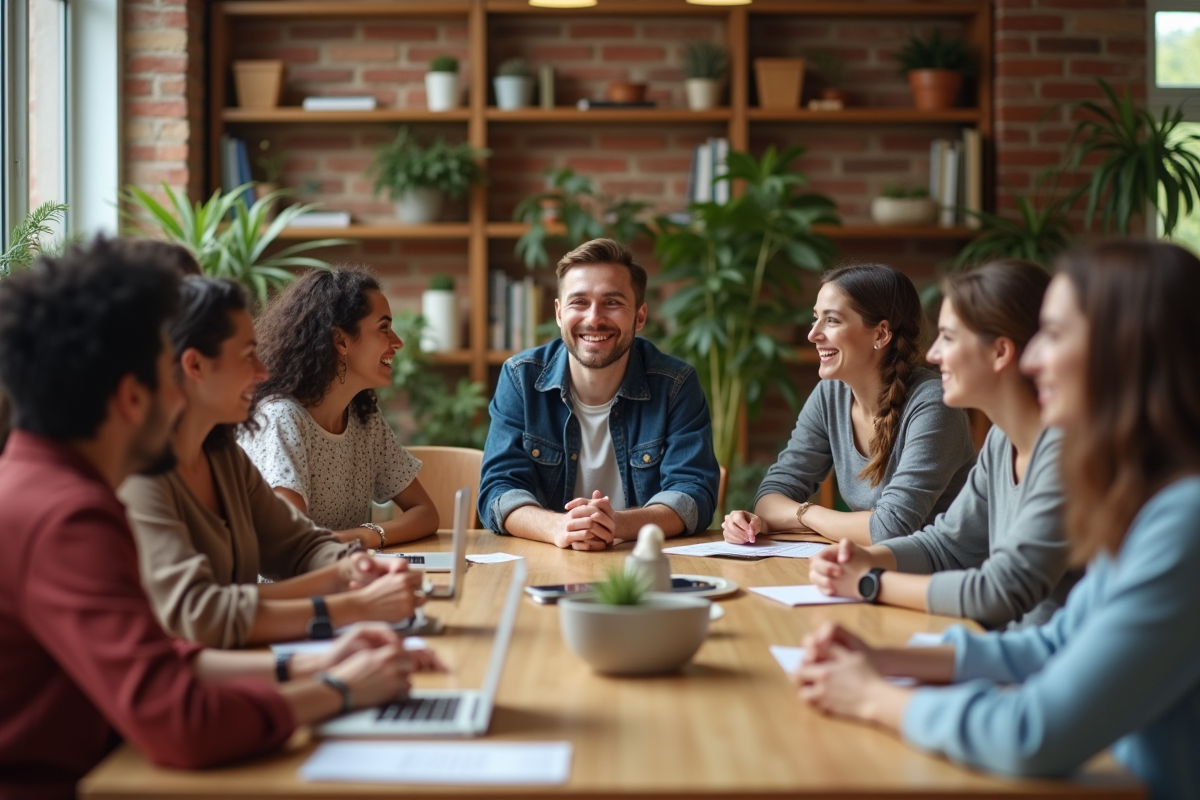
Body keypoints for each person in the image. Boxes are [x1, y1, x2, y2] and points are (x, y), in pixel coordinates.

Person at [0, 238, 439, 800]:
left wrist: (314, 664)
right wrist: (338, 687)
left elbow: (159, 658)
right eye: (171, 370)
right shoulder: (65, 517)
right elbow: (180, 723)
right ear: (134, 394)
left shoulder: (51, 486)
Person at [795, 241, 1200, 800]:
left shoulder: (1184, 521)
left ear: (1125, 350)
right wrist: (882, 658)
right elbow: (1056, 642)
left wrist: (872, 696)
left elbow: (1032, 733)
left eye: (1054, 336)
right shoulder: (1148, 499)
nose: (1032, 360)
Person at [121, 277, 427, 648]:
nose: (262, 371)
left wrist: (357, 565)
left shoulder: (223, 456)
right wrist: (352, 607)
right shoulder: (139, 477)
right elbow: (201, 613)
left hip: (252, 654)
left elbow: (299, 545)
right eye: (246, 354)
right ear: (195, 365)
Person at [807, 260, 1078, 629]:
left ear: (1000, 353)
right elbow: (946, 545)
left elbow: (999, 592)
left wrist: (869, 582)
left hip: (1035, 666)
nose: (932, 354)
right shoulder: (1002, 440)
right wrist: (862, 559)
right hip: (1001, 649)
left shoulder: (1066, 454)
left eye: (948, 338)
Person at [478, 238, 719, 550]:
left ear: (640, 317)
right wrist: (561, 528)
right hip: (545, 561)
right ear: (558, 313)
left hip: (643, 564)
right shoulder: (520, 377)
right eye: (579, 302)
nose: (593, 318)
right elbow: (498, 490)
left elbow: (693, 494)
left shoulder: (675, 383)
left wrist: (615, 524)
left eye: (613, 302)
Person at [724, 263, 975, 546]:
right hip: (872, 568)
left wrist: (804, 513)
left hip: (940, 578)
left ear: (880, 334)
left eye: (832, 320)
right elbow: (769, 498)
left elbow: (889, 529)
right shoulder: (831, 394)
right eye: (815, 318)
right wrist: (761, 519)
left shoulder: (933, 405)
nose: (813, 334)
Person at [239, 267, 438, 548]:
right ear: (341, 340)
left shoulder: (364, 419)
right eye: (384, 328)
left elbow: (426, 514)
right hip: (291, 589)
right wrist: (358, 543)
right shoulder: (281, 418)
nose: (398, 342)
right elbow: (292, 545)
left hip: (345, 574)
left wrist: (364, 536)